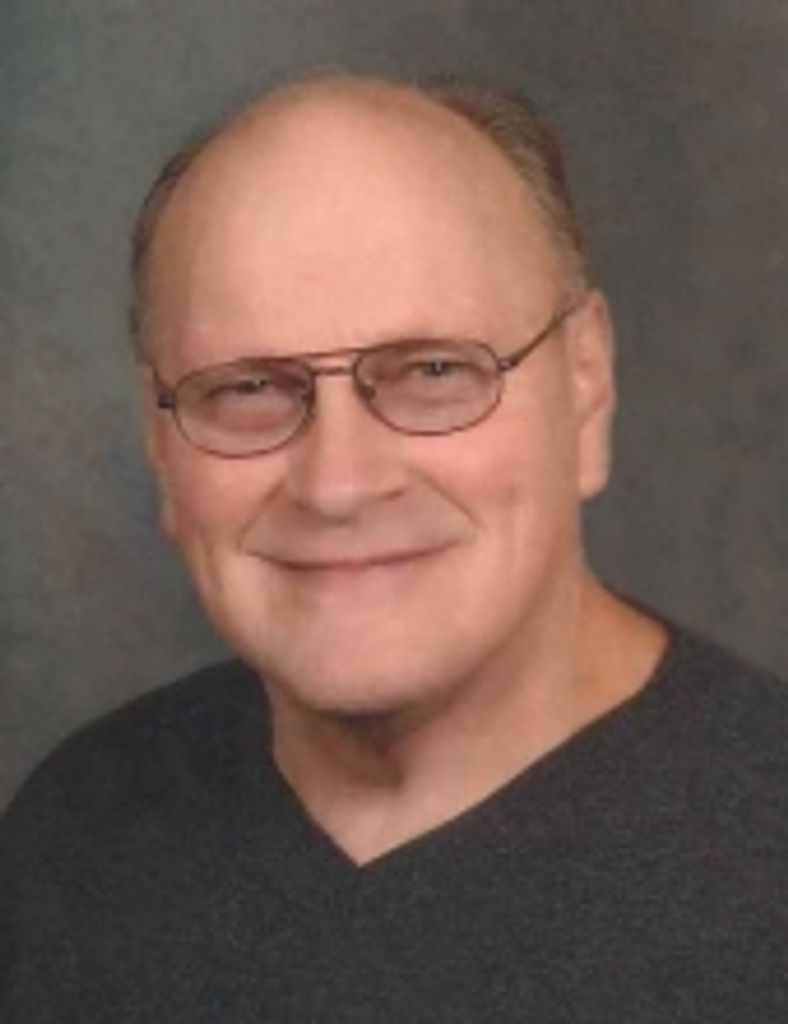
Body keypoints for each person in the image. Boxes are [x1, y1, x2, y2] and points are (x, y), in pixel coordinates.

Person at [3, 72, 787, 1021]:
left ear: (585, 385)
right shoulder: (76, 836)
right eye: (249, 388)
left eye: (434, 371)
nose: (337, 484)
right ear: (160, 443)